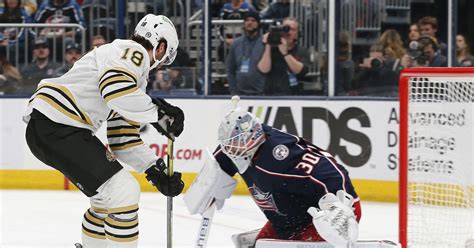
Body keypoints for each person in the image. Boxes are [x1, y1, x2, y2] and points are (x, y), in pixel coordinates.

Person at [24, 14, 185, 248]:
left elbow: (122, 137)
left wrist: (154, 169)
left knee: (104, 199)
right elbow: (114, 89)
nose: (161, 64)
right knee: (124, 191)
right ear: (160, 46)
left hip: (51, 126)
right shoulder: (133, 52)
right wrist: (158, 113)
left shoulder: (127, 71)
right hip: (60, 125)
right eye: (165, 57)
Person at [185, 105, 361, 247]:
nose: (230, 149)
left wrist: (339, 207)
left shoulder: (280, 154)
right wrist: (209, 183)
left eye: (235, 142)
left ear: (251, 138)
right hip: (288, 222)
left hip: (327, 217)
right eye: (228, 143)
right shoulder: (238, 150)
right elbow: (221, 159)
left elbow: (331, 170)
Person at [258, 17, 310, 95]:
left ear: (298, 33)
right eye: (285, 28)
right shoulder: (270, 49)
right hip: (271, 94)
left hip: (294, 95)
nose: (288, 32)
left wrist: (285, 53)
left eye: (292, 29)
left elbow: (299, 71)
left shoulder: (302, 50)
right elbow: (263, 70)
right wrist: (268, 44)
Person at [226, 11, 265, 95]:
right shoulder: (236, 44)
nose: (249, 23)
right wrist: (233, 91)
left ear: (258, 23)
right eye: (247, 20)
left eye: (253, 20)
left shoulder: (265, 43)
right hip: (240, 93)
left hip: (261, 94)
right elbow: (230, 70)